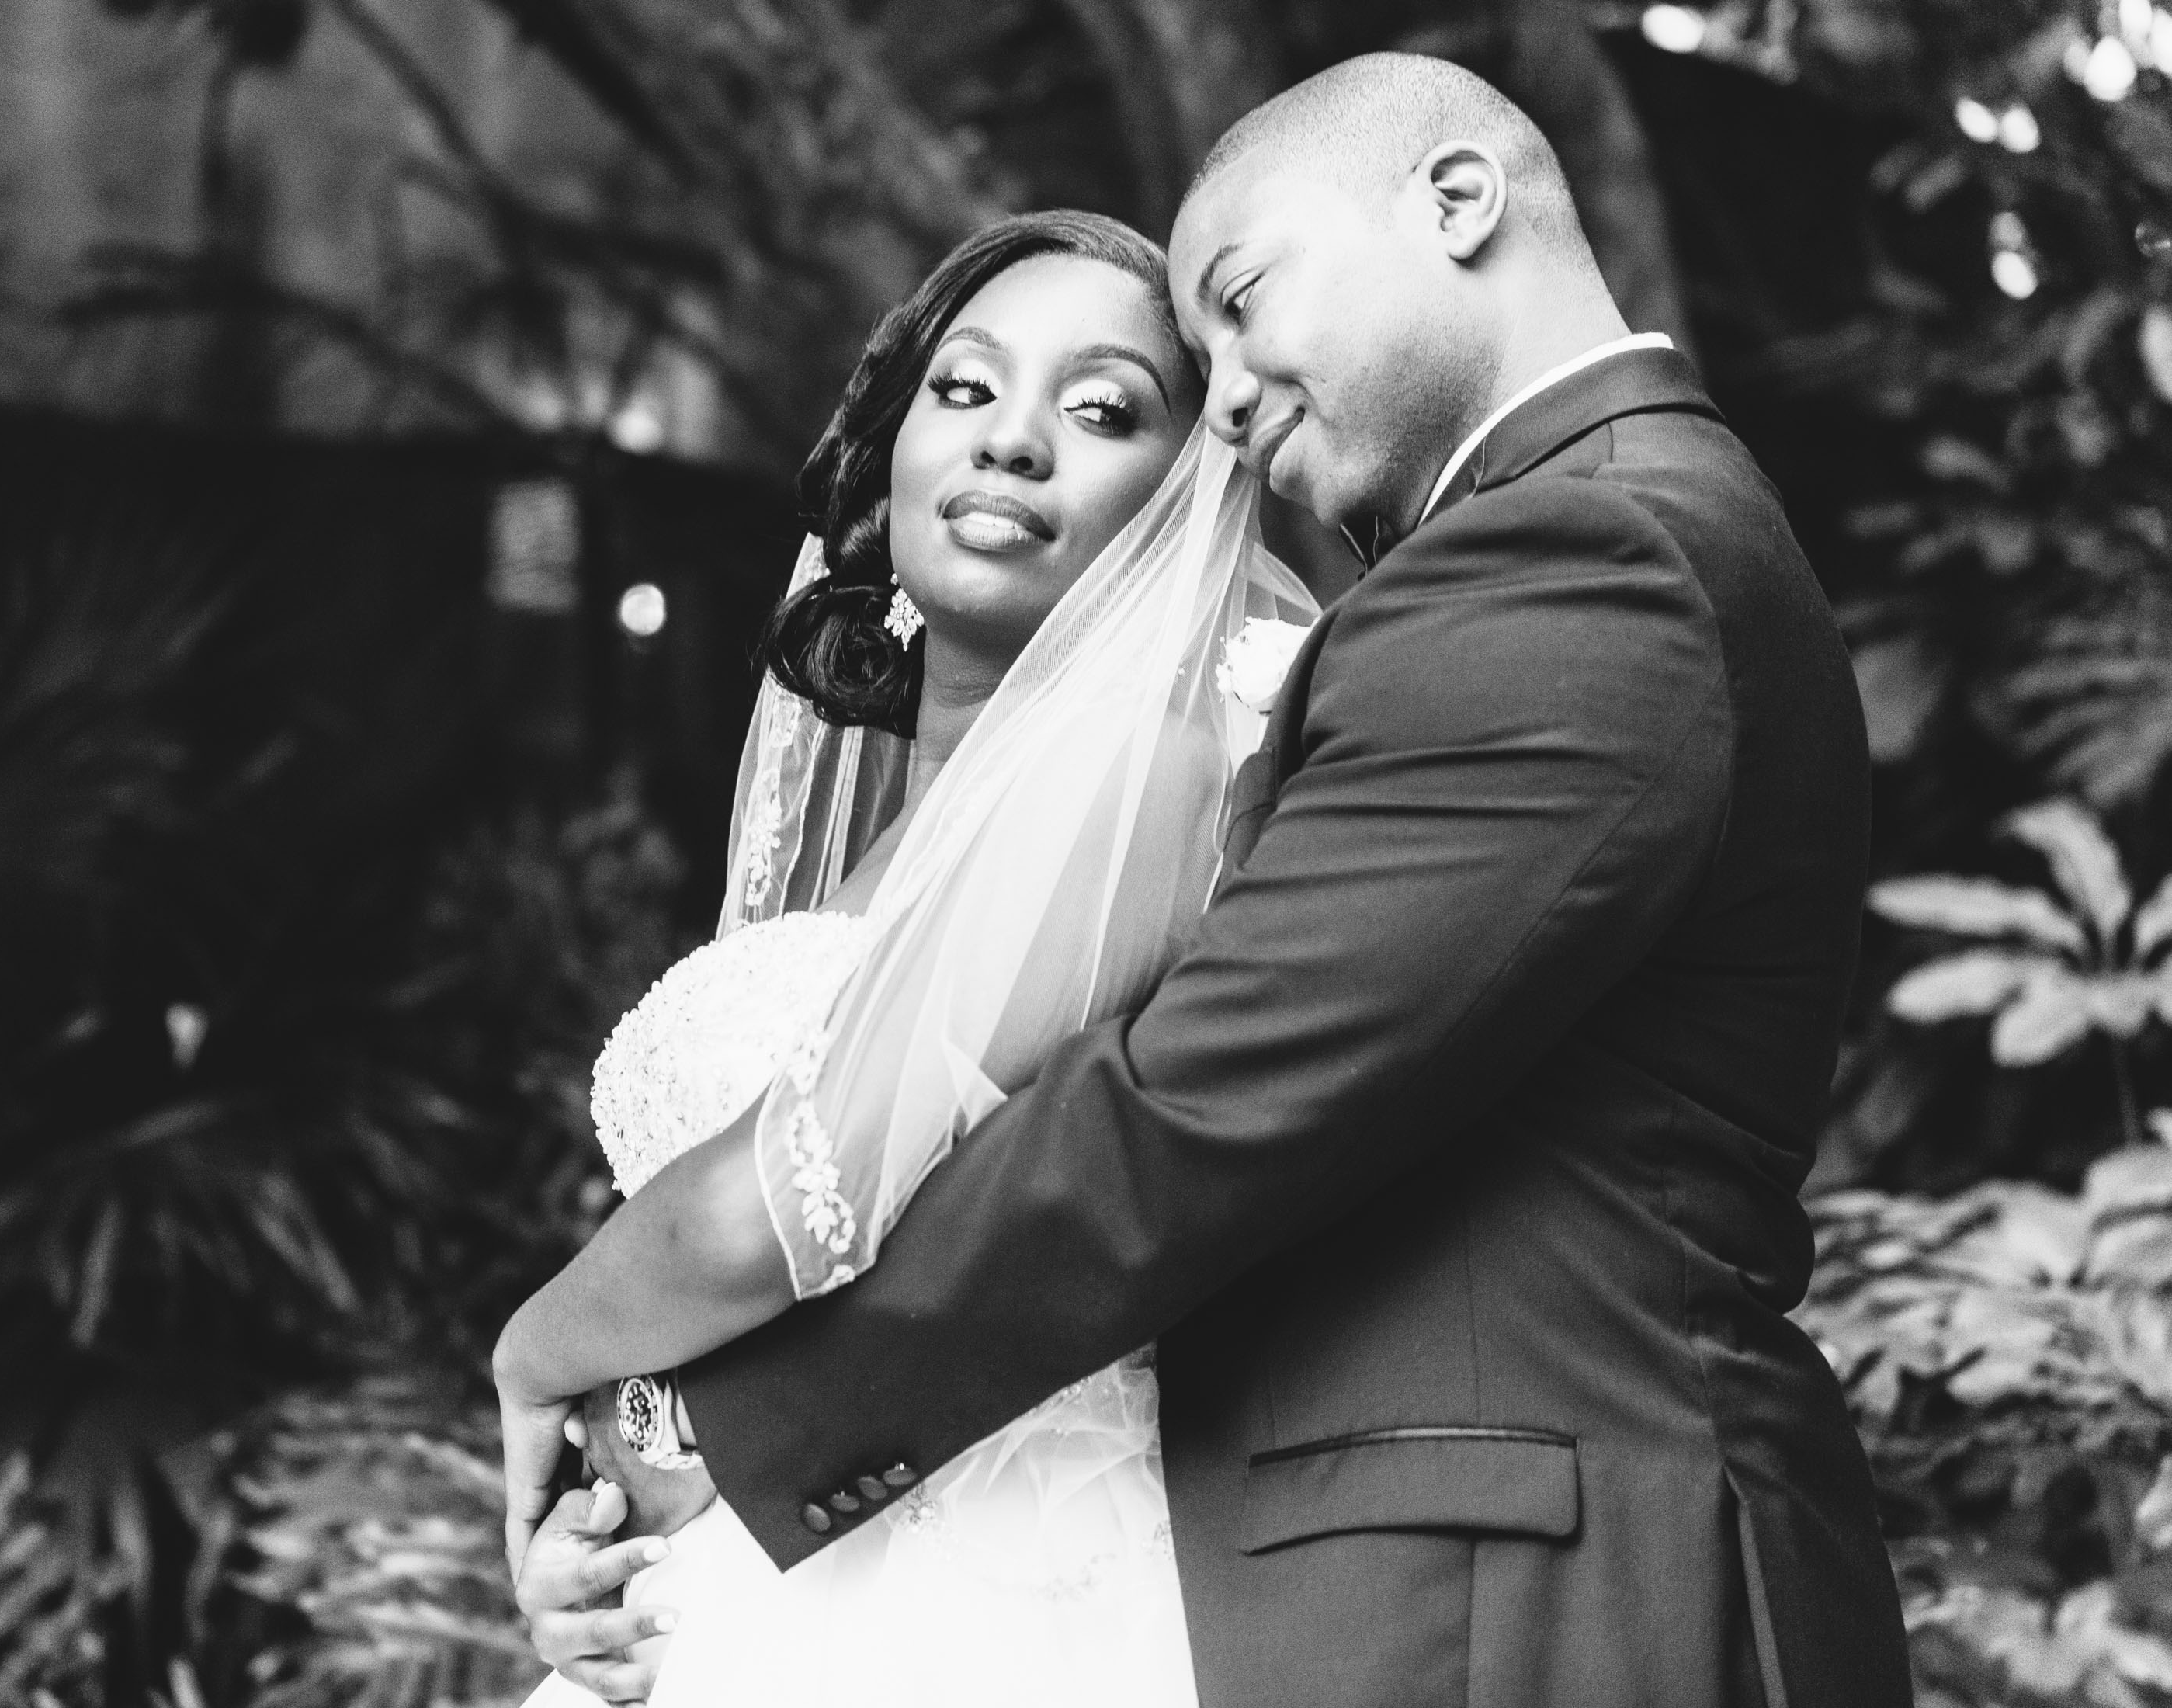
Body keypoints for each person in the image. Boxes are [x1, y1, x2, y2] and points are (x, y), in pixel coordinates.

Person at [517, 51, 1916, 1708]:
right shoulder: (1583, 541)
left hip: (1536, 1576)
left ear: (1458, 201)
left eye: (1242, 305)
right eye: (962, 391)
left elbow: (1183, 1122)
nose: (1234, 395)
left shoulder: (1586, 555)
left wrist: (662, 1414)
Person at [497, 204, 1313, 1707]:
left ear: (1187, 501)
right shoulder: (880, 835)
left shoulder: (1149, 765)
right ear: (892, 455)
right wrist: (598, 1526)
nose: (1012, 439)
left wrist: (537, 1348)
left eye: (1102, 408)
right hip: (742, 1586)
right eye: (966, 386)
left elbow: (802, 1189)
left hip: (984, 1609)